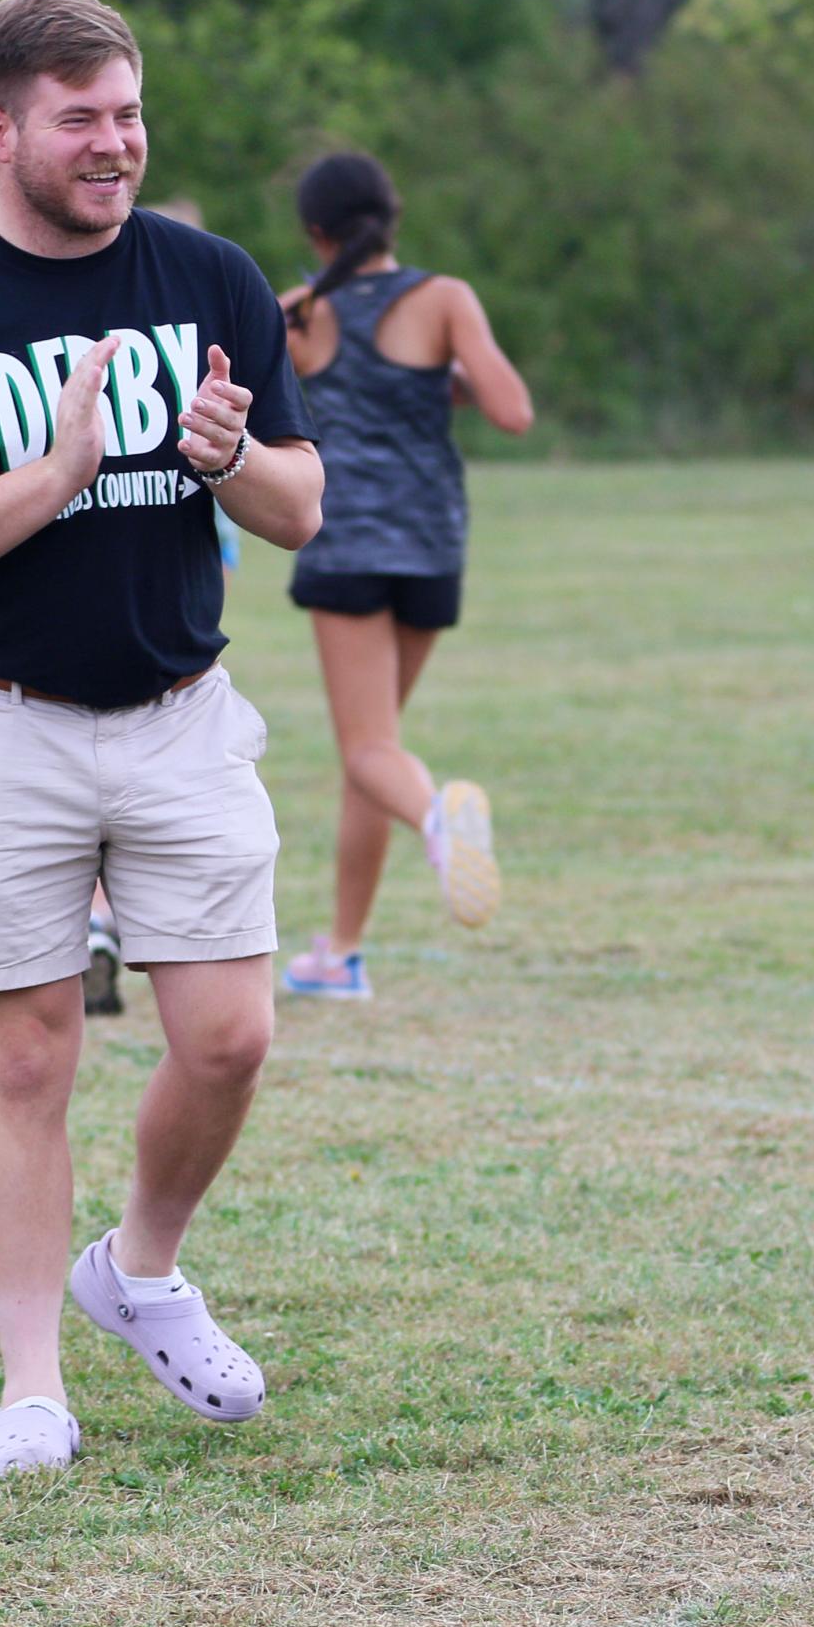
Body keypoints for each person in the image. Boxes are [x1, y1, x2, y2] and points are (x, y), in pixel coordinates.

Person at [0, 0, 323, 1479]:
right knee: (30, 1060)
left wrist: (234, 463)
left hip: (179, 713)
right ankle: (33, 1385)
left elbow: (301, 504)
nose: (114, 145)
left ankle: (142, 1270)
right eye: (80, 121)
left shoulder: (210, 274)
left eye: (126, 114)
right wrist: (50, 475)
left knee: (230, 1036)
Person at [278, 152, 533, 1003]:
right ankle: (340, 953)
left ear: (316, 232)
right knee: (373, 748)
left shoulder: (296, 310)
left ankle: (436, 815)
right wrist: (436, 382)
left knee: (370, 751)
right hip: (431, 543)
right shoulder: (445, 299)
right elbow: (512, 409)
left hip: (345, 540)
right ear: (393, 218)